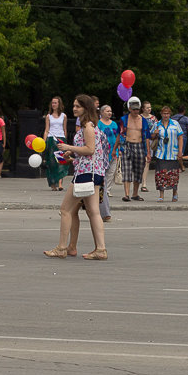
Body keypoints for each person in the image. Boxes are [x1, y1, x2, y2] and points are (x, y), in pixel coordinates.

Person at [43, 94, 108, 260]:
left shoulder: (87, 127)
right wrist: (72, 156)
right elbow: (89, 152)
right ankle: (100, 249)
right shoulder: (92, 126)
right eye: (73, 106)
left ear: (85, 108)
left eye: (78, 106)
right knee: (93, 212)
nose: (74, 109)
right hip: (94, 172)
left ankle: (62, 247)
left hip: (85, 174)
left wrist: (69, 146)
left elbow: (90, 149)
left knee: (65, 209)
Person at [150, 105, 185, 202]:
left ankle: (175, 192)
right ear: (161, 114)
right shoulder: (157, 124)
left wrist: (180, 151)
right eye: (164, 113)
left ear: (170, 114)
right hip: (161, 154)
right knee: (160, 175)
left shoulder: (175, 124)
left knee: (173, 175)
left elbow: (180, 137)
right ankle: (161, 195)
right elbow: (151, 136)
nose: (166, 115)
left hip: (173, 153)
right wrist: (155, 133)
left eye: (167, 113)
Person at [120, 97, 149, 202]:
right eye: (134, 109)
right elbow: (121, 134)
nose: (136, 111)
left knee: (138, 170)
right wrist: (117, 148)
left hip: (139, 145)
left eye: (137, 109)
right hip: (127, 145)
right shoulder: (124, 119)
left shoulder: (143, 120)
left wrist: (148, 153)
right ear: (129, 109)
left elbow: (146, 137)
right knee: (126, 169)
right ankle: (126, 194)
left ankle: (135, 193)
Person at [96, 104, 120, 222]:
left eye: (110, 111)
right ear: (101, 112)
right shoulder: (98, 124)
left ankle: (107, 189)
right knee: (102, 177)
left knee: (111, 173)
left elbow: (117, 137)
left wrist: (117, 149)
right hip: (102, 153)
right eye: (107, 111)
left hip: (113, 151)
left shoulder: (114, 124)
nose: (109, 113)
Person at [43, 96, 69, 191]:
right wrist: (44, 141)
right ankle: (53, 183)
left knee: (61, 160)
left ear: (59, 104)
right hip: (51, 138)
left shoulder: (64, 116)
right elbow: (46, 130)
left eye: (55, 103)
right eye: (52, 103)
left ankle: (60, 183)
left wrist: (65, 141)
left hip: (60, 138)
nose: (54, 104)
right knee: (52, 162)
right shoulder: (48, 116)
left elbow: (65, 129)